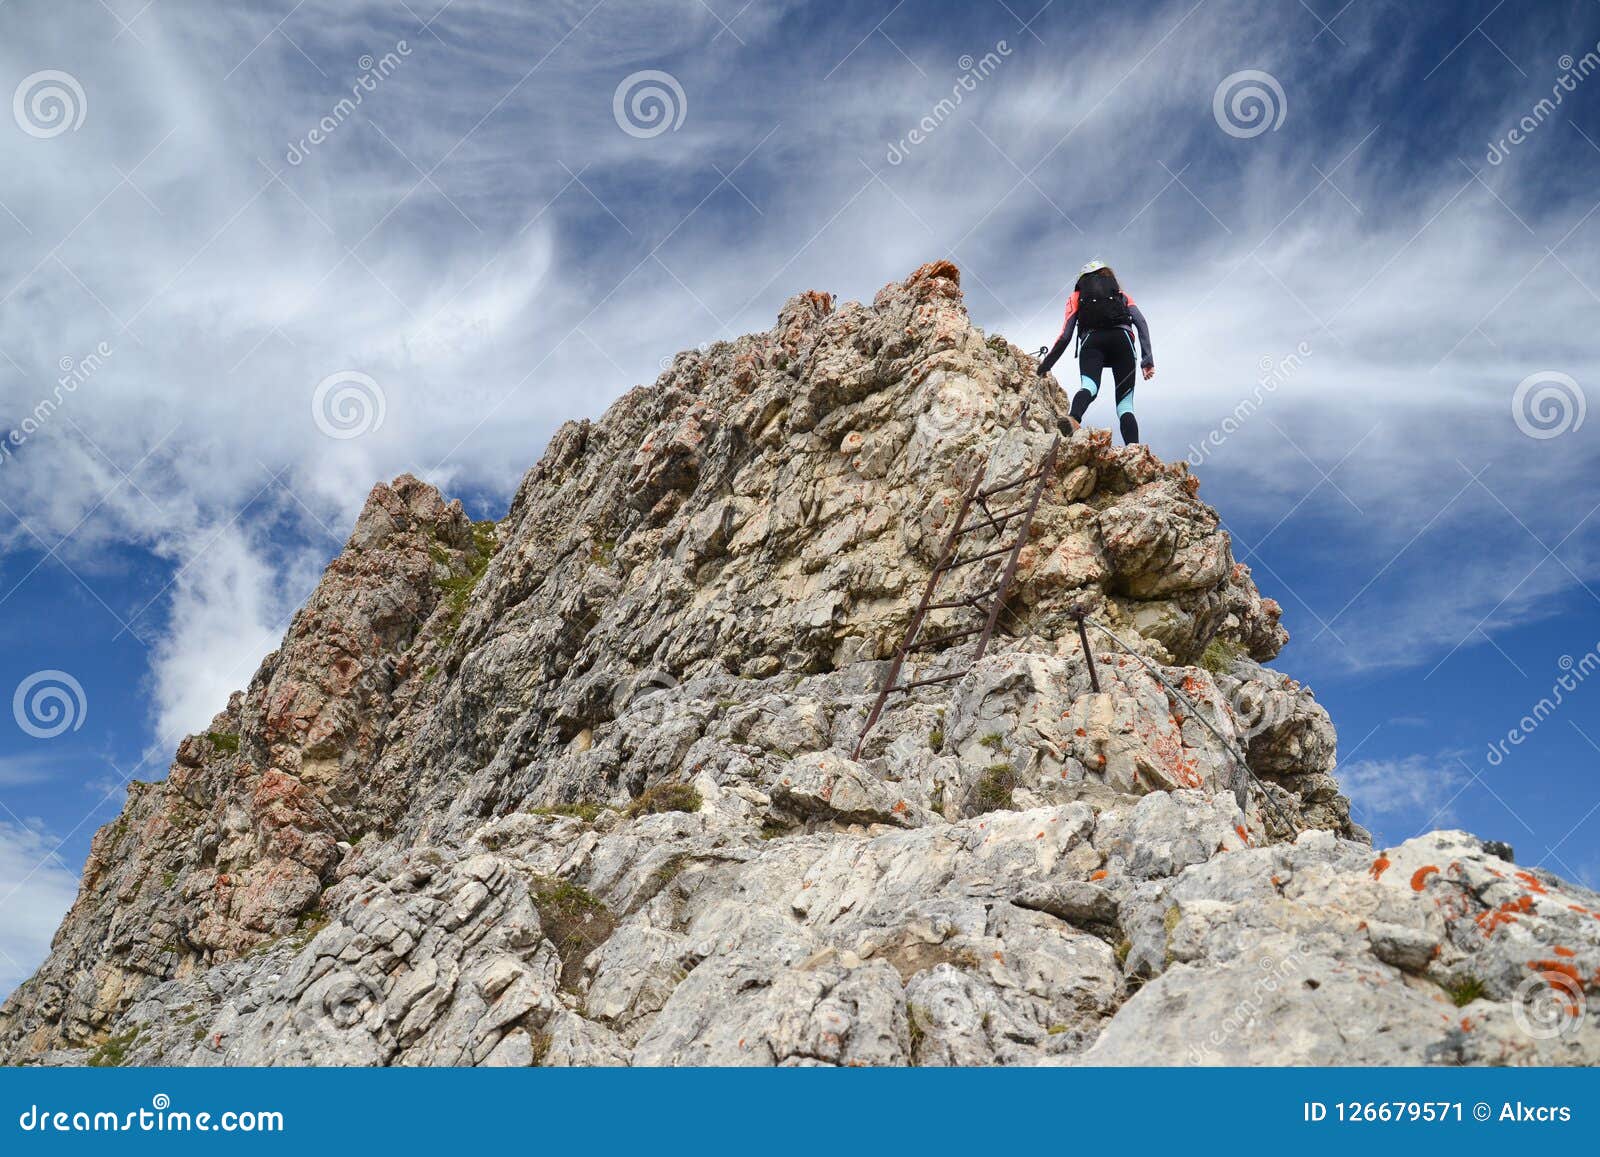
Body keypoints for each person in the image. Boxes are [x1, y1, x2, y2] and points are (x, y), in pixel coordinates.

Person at [1037, 260, 1154, 444]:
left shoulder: (1077, 296)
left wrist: (1046, 365)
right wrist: (1147, 360)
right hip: (1122, 340)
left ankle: (1074, 418)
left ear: (1082, 280)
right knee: (1125, 404)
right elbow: (1141, 323)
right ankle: (1134, 449)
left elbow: (1065, 335)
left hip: (1092, 341)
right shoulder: (1121, 294)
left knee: (1089, 387)